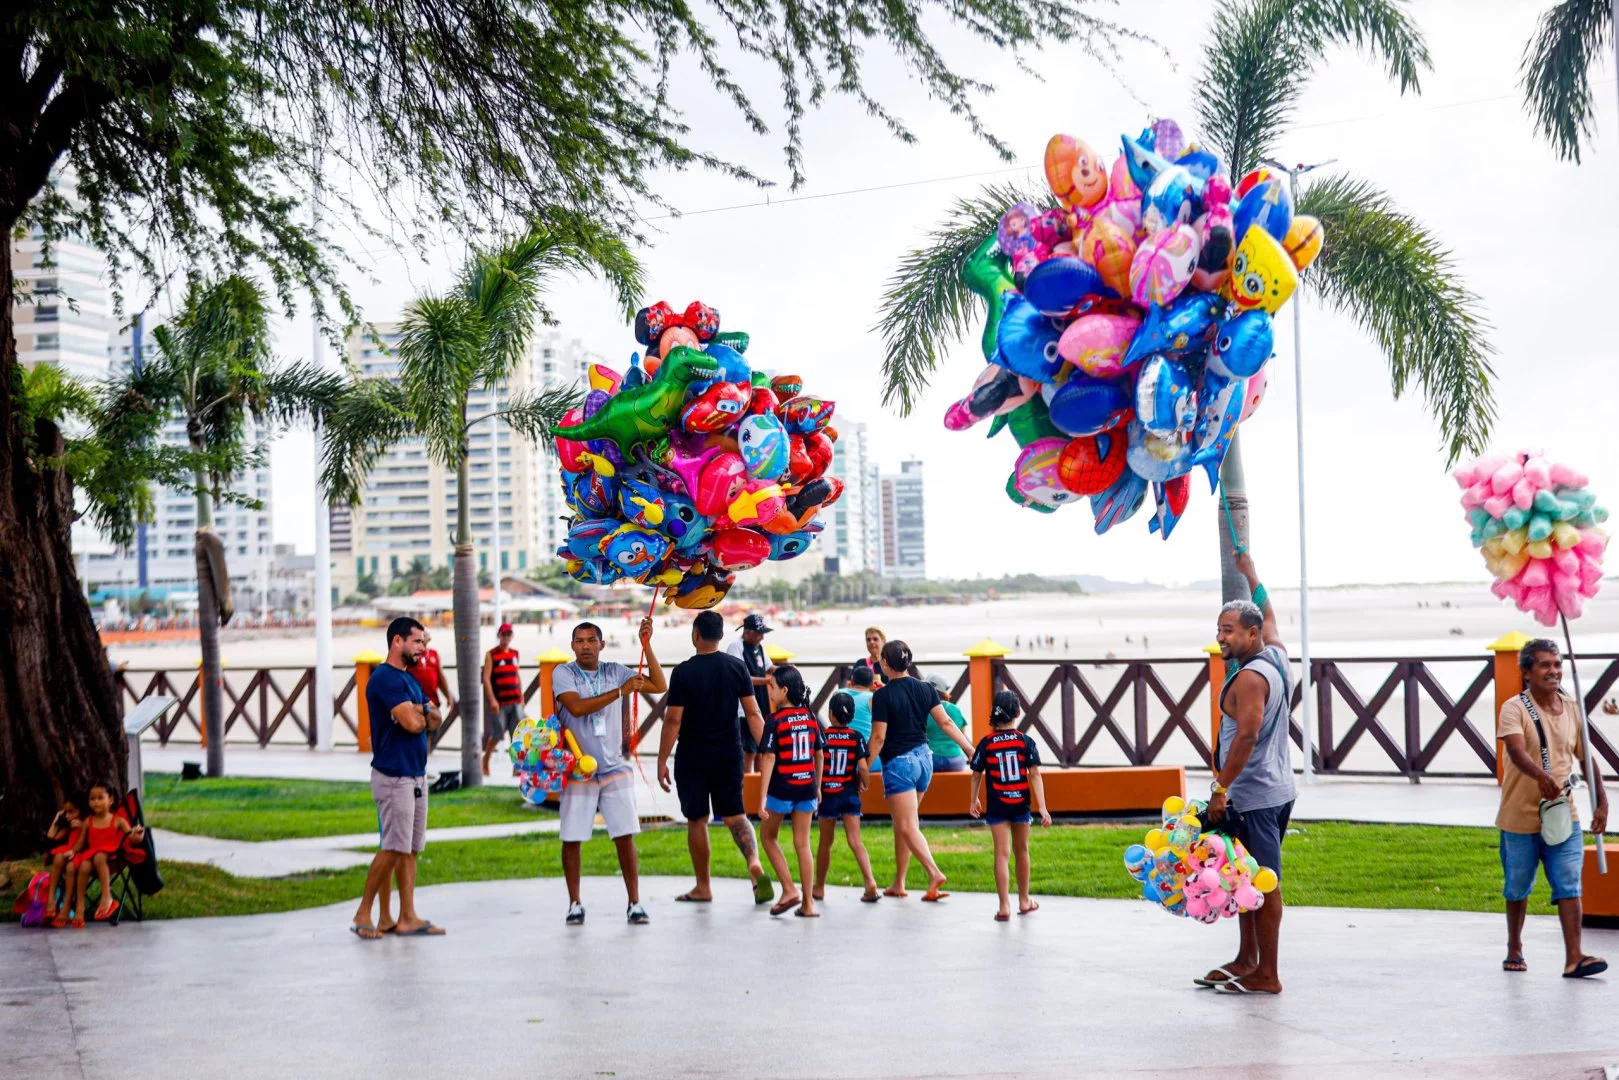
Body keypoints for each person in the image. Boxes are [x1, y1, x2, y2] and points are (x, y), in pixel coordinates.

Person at [1198, 550, 1292, 995]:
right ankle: (1246, 959)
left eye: (1229, 631)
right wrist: (1251, 572)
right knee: (1244, 877)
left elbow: (1247, 738)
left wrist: (1220, 788)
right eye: (1219, 629)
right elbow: (1269, 609)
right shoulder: (1275, 652)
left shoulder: (1252, 678)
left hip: (1255, 794)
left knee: (1264, 881)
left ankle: (1267, 973)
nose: (1221, 638)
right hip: (1274, 789)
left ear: (1251, 634)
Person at [1496, 638, 1608, 978]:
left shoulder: (1572, 707)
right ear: (1527, 672)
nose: (1554, 671)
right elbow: (1516, 751)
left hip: (1563, 813)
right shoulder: (1514, 708)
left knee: (1569, 882)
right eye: (1544, 665)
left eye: (1557, 664)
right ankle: (1514, 947)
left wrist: (1601, 799)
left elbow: (1586, 757)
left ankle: (1574, 957)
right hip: (1520, 815)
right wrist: (1540, 775)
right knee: (1518, 885)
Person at [658, 610, 775, 905]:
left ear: (695, 634)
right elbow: (753, 713)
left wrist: (661, 760)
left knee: (697, 819)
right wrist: (767, 750)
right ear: (722, 636)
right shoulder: (736, 667)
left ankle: (703, 887)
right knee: (735, 814)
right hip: (729, 751)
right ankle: (753, 863)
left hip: (692, 755)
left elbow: (673, 720)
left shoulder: (683, 672)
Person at [555, 619, 665, 926]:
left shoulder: (615, 670)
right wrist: (620, 693)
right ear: (572, 645)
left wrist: (647, 645)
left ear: (602, 644)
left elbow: (659, 685)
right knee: (573, 837)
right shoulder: (564, 673)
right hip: (579, 767)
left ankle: (635, 902)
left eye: (592, 640)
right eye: (580, 641)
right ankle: (575, 902)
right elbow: (575, 708)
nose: (586, 646)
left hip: (614, 765)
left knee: (624, 835)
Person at [351, 616, 445, 939]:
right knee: (392, 847)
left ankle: (406, 917)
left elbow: (436, 717)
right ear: (398, 642)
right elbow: (415, 724)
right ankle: (363, 913)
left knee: (410, 849)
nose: (424, 648)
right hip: (394, 777)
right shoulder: (385, 679)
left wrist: (419, 711)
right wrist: (420, 712)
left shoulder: (410, 680)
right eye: (419, 642)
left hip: (416, 775)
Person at [868, 639, 972, 901]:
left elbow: (878, 738)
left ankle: (934, 872)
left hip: (900, 764)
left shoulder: (882, 695)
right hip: (924, 760)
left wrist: (863, 768)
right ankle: (899, 883)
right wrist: (969, 749)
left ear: (885, 664)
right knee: (906, 826)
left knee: (906, 825)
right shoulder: (925, 689)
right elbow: (946, 722)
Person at [969, 691, 1050, 921]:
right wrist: (1043, 808)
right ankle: (1024, 901)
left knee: (1001, 854)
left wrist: (973, 799)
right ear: (1017, 713)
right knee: (1021, 850)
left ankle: (1004, 906)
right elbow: (1034, 774)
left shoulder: (986, 743)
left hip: (997, 805)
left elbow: (976, 774)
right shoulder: (1025, 742)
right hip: (1020, 804)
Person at [757, 665, 825, 917]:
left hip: (782, 788)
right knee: (803, 844)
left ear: (784, 690)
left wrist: (762, 796)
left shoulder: (774, 720)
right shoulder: (810, 717)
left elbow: (768, 758)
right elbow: (819, 754)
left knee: (768, 837)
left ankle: (788, 888)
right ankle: (808, 904)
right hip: (806, 787)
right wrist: (817, 786)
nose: (770, 692)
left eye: (772, 687)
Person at [813, 691, 880, 904]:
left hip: (828, 796)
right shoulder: (856, 738)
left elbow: (817, 762)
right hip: (849, 795)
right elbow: (862, 766)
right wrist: (864, 782)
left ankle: (820, 887)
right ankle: (870, 882)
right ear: (851, 715)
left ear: (830, 714)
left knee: (826, 841)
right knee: (855, 840)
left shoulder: (823, 736)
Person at [60, 782, 144, 927]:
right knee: (85, 866)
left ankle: (107, 896)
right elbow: (80, 843)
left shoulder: (118, 820)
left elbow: (132, 837)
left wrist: (138, 834)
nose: (96, 802)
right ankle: (80, 907)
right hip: (93, 860)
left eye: (100, 798)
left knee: (99, 856)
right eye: (92, 799)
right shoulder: (88, 821)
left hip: (113, 861)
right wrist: (72, 851)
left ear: (110, 800)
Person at [725, 613, 774, 772]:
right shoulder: (736, 646)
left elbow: (769, 668)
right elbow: (740, 677)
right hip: (743, 708)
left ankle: (759, 782)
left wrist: (786, 671)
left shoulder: (758, 647)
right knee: (749, 751)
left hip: (761, 703)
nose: (762, 638)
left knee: (762, 749)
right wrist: (767, 681)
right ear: (747, 632)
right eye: (759, 634)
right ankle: (745, 783)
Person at [481, 622, 524, 776]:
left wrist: (522, 696)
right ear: (499, 635)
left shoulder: (514, 653)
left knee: (517, 735)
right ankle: (485, 759)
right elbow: (486, 678)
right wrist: (492, 700)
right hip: (500, 702)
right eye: (503, 634)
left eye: (508, 634)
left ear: (511, 636)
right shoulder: (491, 654)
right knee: (498, 734)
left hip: (515, 700)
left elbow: (517, 675)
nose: (506, 637)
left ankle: (516, 767)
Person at [42, 796, 86, 925]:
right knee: (58, 857)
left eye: (71, 812)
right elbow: (50, 842)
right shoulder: (69, 825)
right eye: (66, 812)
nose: (67, 815)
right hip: (68, 852)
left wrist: (83, 826)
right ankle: (51, 900)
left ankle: (65, 908)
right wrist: (56, 819)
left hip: (82, 854)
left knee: (70, 867)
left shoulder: (88, 821)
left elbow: (94, 840)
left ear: (81, 811)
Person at [924, 673, 971, 774]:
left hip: (932, 760)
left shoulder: (924, 710)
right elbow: (962, 735)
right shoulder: (955, 709)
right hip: (956, 761)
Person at [410, 629, 446, 710]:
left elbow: (441, 677)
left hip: (433, 701)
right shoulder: (411, 654)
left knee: (435, 720)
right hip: (416, 703)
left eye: (424, 635)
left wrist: (448, 697)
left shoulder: (434, 653)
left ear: (429, 638)